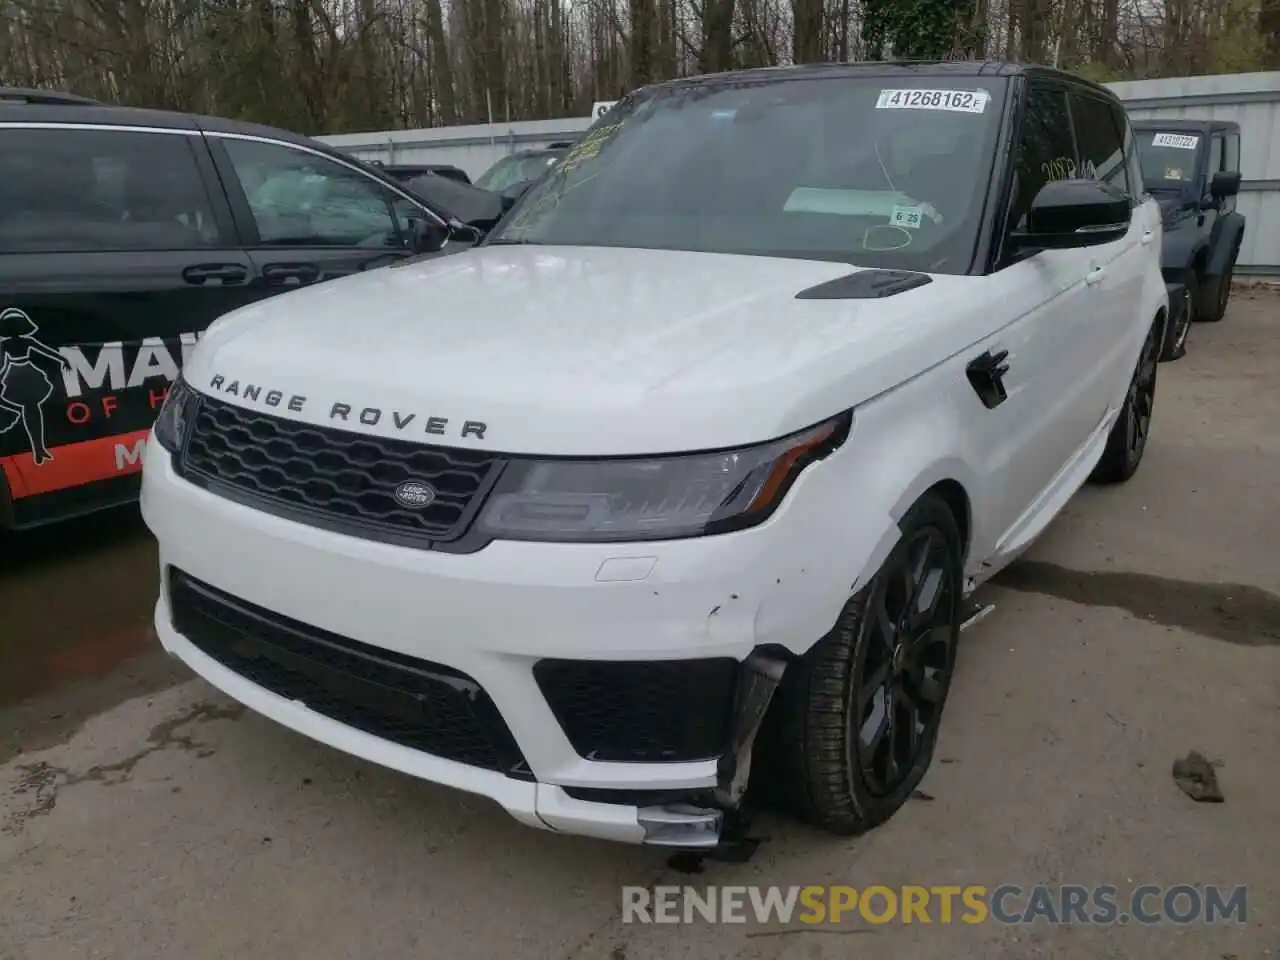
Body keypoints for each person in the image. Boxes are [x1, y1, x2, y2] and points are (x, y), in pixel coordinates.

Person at [0, 307, 71, 465]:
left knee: (32, 409)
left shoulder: (15, 343)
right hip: (24, 374)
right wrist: (62, 359)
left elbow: (45, 350)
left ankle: (39, 449)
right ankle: (38, 449)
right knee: (31, 409)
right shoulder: (13, 344)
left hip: (20, 374)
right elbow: (3, 365)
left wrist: (62, 359)